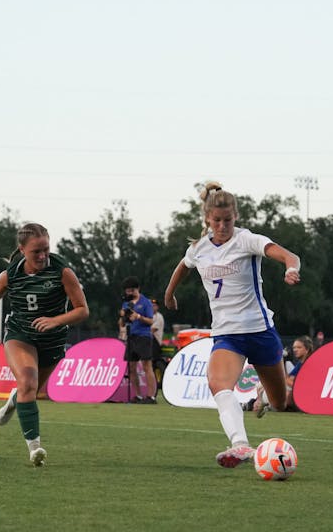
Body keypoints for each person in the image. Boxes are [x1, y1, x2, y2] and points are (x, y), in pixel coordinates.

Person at [163, 180, 301, 468]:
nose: (222, 226)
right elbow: (183, 266)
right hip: (227, 334)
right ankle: (240, 445)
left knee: (280, 402)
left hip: (259, 330)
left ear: (235, 217)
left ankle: (261, 394)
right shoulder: (200, 248)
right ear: (207, 220)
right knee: (218, 384)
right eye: (217, 221)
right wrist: (169, 293)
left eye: (227, 220)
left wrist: (290, 268)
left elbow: (289, 255)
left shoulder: (247, 240)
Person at [0, 223, 89, 466]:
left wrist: (55, 321)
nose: (43, 255)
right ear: (22, 250)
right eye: (36, 251)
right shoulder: (10, 275)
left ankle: (15, 398)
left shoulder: (62, 271)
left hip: (52, 339)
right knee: (28, 382)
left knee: (32, 391)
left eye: (46, 249)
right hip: (20, 333)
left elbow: (82, 311)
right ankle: (35, 449)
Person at [120, 276, 158, 404]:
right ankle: (137, 395)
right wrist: (122, 316)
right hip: (131, 336)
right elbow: (121, 324)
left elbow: (151, 321)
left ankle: (151, 396)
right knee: (131, 367)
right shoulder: (126, 303)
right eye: (127, 291)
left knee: (147, 365)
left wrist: (138, 316)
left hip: (144, 336)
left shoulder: (145, 302)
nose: (129, 293)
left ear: (137, 289)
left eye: (132, 290)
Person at [253, 335, 314, 415]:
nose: (295, 350)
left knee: (278, 393)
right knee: (261, 386)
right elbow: (289, 379)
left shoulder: (309, 364)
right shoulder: (300, 364)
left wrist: (286, 379)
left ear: (307, 349)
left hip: (301, 395)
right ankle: (262, 404)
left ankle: (266, 405)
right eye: (294, 348)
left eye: (299, 347)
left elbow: (296, 384)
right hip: (293, 392)